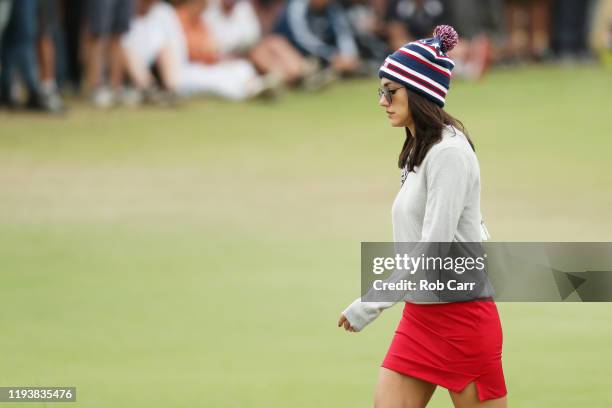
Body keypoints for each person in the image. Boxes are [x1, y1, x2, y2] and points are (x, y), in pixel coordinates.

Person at [337, 26, 507, 407]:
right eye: (381, 90)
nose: (382, 100)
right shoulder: (421, 148)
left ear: (419, 93)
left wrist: (370, 303)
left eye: (390, 91)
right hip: (420, 317)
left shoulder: (449, 153)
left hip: (463, 321)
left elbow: (432, 247)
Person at [274, 0, 361, 75]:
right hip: (298, 53)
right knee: (296, 68)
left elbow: (344, 33)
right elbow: (302, 38)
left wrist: (349, 55)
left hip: (328, 58)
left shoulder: (333, 8)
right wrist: (332, 56)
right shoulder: (296, 7)